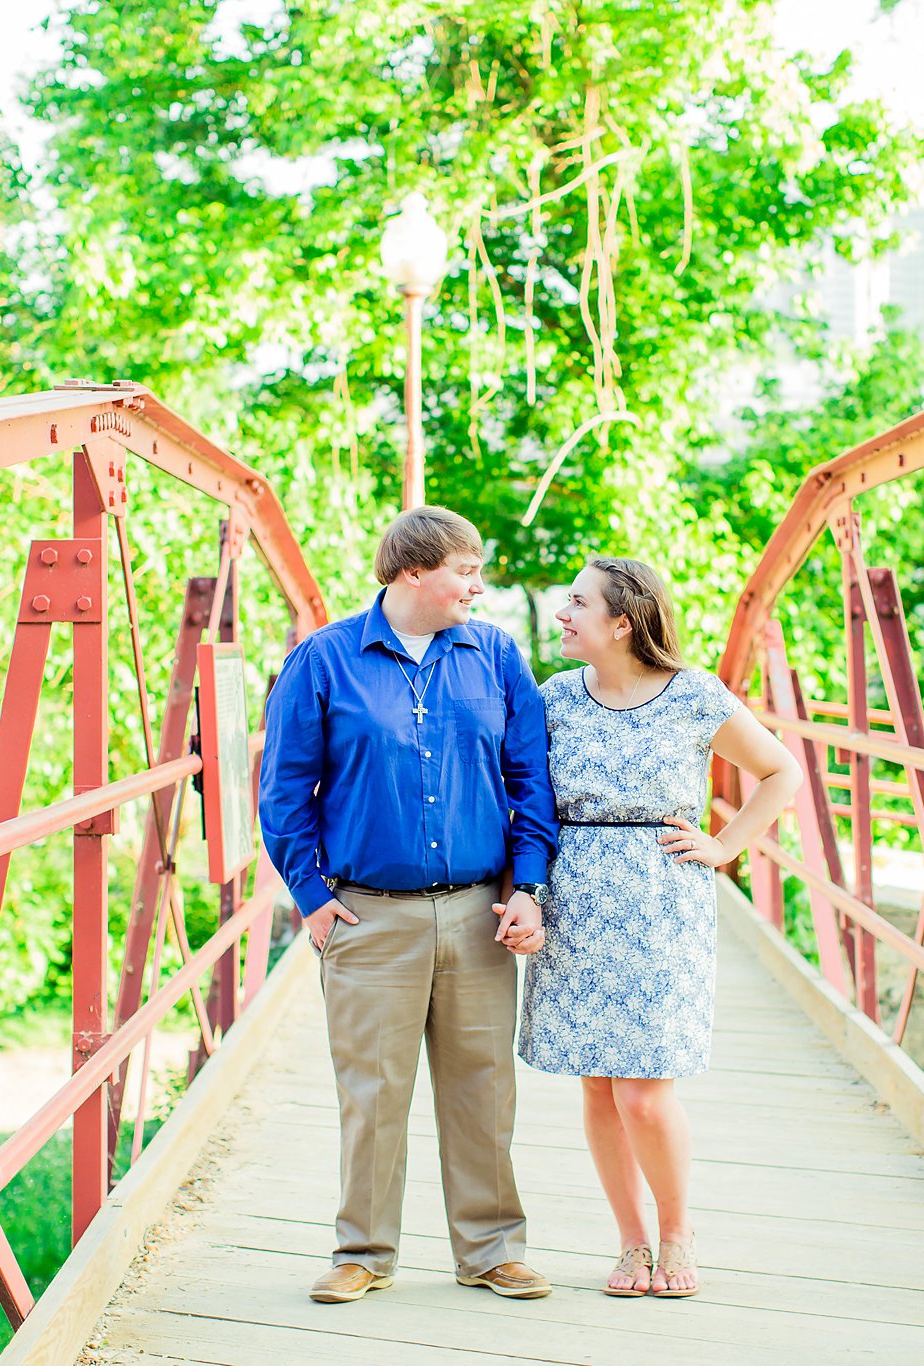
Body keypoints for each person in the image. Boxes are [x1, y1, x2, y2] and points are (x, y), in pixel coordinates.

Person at [259, 506, 560, 1305]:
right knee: (372, 1093)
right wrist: (312, 898)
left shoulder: (495, 655)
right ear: (411, 571)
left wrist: (527, 887)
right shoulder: (322, 661)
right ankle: (363, 1252)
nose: (477, 584)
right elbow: (283, 792)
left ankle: (493, 1250)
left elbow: (532, 784)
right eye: (466, 569)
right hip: (368, 915)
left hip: (478, 911)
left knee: (484, 1088)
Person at [516, 556, 803, 1298]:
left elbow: (781, 773)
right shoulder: (553, 699)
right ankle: (632, 1241)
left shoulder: (694, 696)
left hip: (660, 903)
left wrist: (724, 845)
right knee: (599, 1091)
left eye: (578, 603)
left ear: (622, 620)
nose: (563, 614)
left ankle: (677, 1231)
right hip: (575, 902)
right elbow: (524, 798)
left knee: (644, 1093)